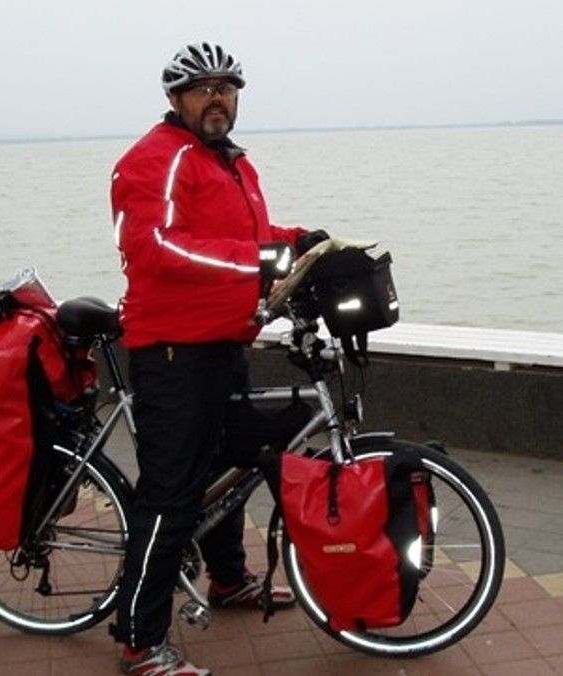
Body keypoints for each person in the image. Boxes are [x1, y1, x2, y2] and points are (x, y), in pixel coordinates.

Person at [108, 42, 327, 676]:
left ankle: (229, 581)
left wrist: (299, 241)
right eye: (202, 89)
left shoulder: (231, 163)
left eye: (227, 88)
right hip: (173, 354)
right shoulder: (154, 160)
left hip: (224, 342)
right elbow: (153, 248)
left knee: (233, 463)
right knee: (172, 496)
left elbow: (245, 240)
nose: (217, 99)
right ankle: (139, 640)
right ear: (175, 100)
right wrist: (255, 264)